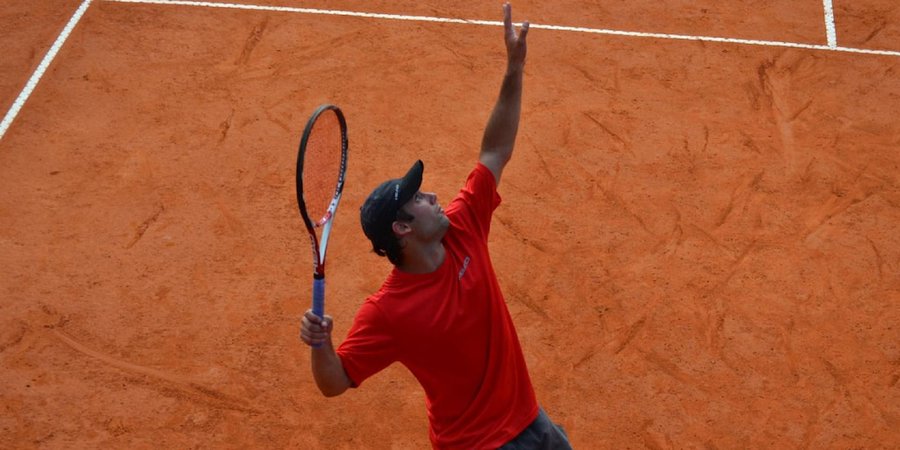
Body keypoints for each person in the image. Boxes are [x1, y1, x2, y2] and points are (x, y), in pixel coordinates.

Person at [300, 3, 571, 449]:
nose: (431, 196)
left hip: (530, 420)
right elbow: (335, 381)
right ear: (403, 229)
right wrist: (320, 344)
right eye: (418, 198)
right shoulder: (388, 313)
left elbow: (494, 151)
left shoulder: (463, 224)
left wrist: (514, 69)